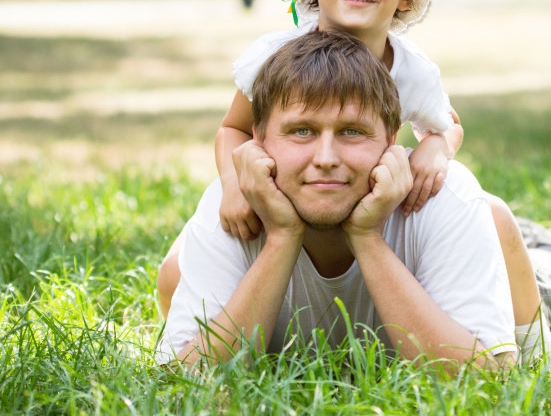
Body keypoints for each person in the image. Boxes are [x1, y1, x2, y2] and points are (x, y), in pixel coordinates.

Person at [156, 0, 549, 353]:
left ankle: (536, 342)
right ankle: (198, 323)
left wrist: (434, 150)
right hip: (286, 193)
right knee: (177, 266)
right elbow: (233, 130)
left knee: (494, 213)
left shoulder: (411, 69)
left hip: (367, 201)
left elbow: (448, 124)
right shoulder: (276, 58)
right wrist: (232, 184)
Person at [157, 30, 524, 368]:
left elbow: (488, 380)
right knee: (176, 264)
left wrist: (367, 238)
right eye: (302, 131)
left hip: (488, 266)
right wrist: (282, 237)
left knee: (503, 223)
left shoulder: (441, 192)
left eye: (352, 131)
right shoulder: (232, 196)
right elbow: (182, 377)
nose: (327, 158)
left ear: (392, 139)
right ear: (258, 138)